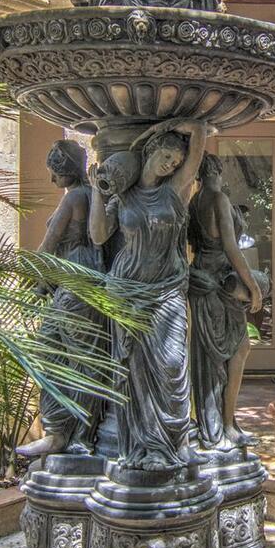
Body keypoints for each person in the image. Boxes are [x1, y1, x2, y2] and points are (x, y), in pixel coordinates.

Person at [88, 118, 212, 472]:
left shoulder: (175, 189)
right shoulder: (123, 195)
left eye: (175, 161)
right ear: (152, 150)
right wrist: (98, 189)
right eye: (167, 156)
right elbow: (98, 236)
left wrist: (178, 124)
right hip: (128, 291)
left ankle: (175, 441)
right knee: (136, 374)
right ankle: (145, 446)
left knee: (172, 365)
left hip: (167, 290)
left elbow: (200, 136)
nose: (171, 165)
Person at [16, 139, 107, 458]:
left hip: (76, 285)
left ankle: (77, 434)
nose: (52, 179)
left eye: (55, 171)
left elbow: (48, 245)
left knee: (79, 362)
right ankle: (60, 431)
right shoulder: (81, 195)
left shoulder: (76, 198)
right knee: (55, 356)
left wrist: (29, 279)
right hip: (72, 284)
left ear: (67, 169)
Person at [187, 154, 264, 452]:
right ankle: (226, 426)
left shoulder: (195, 202)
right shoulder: (218, 199)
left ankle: (217, 422)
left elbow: (195, 245)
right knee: (237, 349)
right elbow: (231, 247)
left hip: (202, 278)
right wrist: (253, 286)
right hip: (221, 281)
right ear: (218, 170)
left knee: (214, 357)